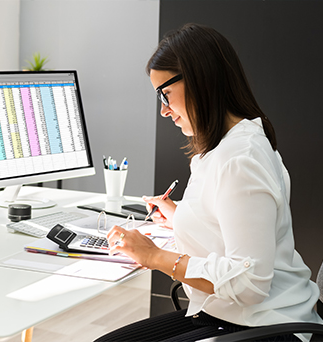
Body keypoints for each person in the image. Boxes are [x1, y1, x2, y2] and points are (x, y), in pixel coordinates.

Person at [94, 23, 322, 342]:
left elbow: (249, 283)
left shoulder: (241, 158)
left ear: (200, 81)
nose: (163, 110)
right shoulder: (224, 146)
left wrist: (155, 256)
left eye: (165, 94)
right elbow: (232, 220)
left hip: (268, 324)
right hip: (229, 314)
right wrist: (179, 215)